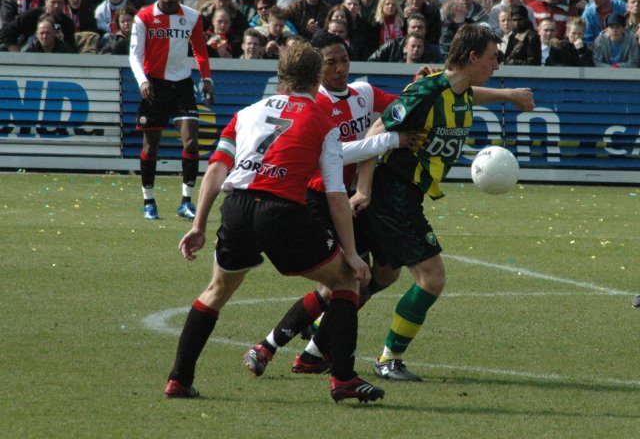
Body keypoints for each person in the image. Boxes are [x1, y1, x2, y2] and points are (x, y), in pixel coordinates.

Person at [165, 39, 385, 404]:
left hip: (236, 208)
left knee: (216, 291)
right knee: (347, 281)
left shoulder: (247, 112)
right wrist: (352, 252)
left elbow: (217, 168)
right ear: (317, 76)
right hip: (281, 210)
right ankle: (343, 379)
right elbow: (335, 193)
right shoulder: (321, 118)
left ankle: (179, 380)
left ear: (281, 75)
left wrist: (198, 225)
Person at [346, 23, 534, 381]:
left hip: (406, 195)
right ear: (473, 57)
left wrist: (508, 95)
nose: (497, 65)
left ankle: (320, 335)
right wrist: (364, 190)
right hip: (393, 193)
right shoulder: (426, 90)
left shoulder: (457, 91)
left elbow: (469, 94)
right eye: (493, 58)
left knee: (382, 275)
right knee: (432, 278)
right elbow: (374, 133)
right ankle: (388, 359)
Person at [241, 31, 419, 378]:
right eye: (330, 63)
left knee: (385, 272)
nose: (339, 69)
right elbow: (337, 154)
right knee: (341, 283)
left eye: (343, 60)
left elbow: (403, 106)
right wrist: (390, 140)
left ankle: (313, 350)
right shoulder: (316, 105)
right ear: (316, 68)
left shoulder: (363, 93)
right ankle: (270, 346)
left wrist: (420, 85)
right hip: (321, 199)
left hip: (352, 198)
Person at [129, 0, 214, 220]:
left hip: (182, 85)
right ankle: (148, 201)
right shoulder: (143, 17)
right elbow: (135, 55)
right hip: (154, 86)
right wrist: (143, 81)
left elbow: (200, 50)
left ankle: (186, 201)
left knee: (191, 142)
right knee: (151, 147)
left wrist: (206, 78)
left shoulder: (191, 17)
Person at [0, 0, 76, 52]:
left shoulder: (68, 23)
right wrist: (17, 55)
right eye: (53, 2)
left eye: (60, 3)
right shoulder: (32, 15)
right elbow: (6, 32)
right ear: (46, 3)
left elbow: (71, 48)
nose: (56, 6)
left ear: (64, 4)